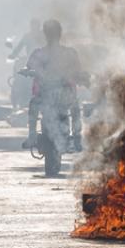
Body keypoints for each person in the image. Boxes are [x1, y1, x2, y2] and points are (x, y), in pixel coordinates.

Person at [26, 19, 84, 151]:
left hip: (55, 93)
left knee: (34, 105)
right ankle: (76, 138)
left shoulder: (41, 53)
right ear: (60, 34)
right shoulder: (67, 53)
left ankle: (32, 136)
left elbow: (78, 70)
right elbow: (29, 67)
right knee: (75, 107)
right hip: (55, 94)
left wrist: (81, 76)